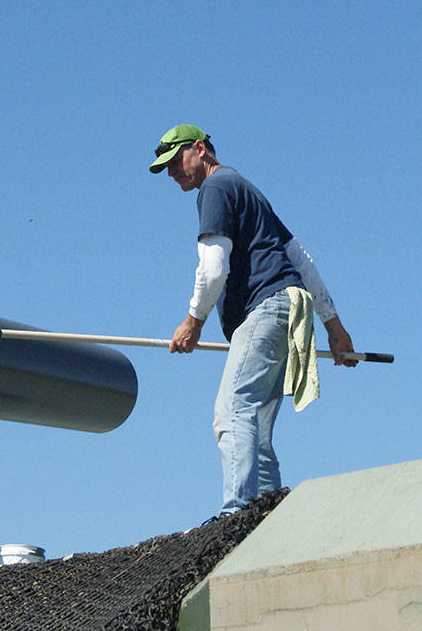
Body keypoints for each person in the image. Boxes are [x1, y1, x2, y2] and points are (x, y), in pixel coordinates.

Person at [149, 124, 355, 514]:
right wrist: (335, 327)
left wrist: (194, 321)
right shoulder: (247, 190)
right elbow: (299, 260)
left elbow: (212, 268)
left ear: (200, 149)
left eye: (175, 162)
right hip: (290, 309)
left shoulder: (215, 188)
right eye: (166, 169)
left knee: (232, 411)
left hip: (267, 307)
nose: (173, 173)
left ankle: (237, 514)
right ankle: (266, 521)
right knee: (255, 430)